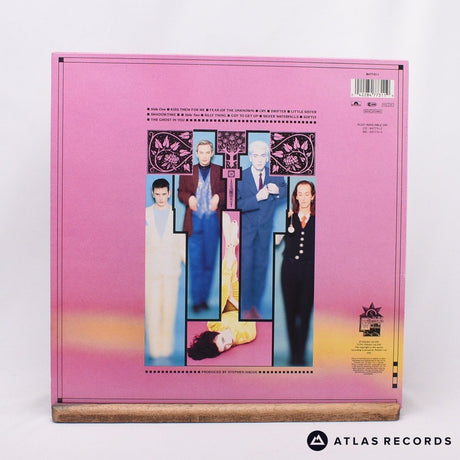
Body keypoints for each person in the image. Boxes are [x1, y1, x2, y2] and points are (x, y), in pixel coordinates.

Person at [187, 212, 257, 360]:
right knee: (231, 279)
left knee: (224, 286)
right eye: (225, 348)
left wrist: (227, 297)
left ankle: (230, 246)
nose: (229, 343)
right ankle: (230, 245)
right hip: (239, 304)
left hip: (225, 301)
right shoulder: (247, 335)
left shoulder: (213, 325)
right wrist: (232, 299)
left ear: (216, 334)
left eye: (223, 340)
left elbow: (219, 306)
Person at [237, 140, 287, 318]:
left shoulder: (275, 176)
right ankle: (245, 306)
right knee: (245, 268)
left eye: (263, 155)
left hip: (265, 231)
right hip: (246, 232)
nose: (259, 159)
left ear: (267, 158)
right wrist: (257, 198)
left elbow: (286, 191)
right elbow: (235, 204)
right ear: (250, 157)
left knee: (261, 269)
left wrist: (277, 191)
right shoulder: (241, 177)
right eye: (256, 155)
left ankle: (254, 306)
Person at [178, 139, 226, 313]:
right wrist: (188, 198)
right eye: (201, 152)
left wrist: (219, 197)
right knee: (196, 263)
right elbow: (181, 192)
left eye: (207, 152)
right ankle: (196, 300)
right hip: (194, 221)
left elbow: (229, 192)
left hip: (212, 221)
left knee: (209, 262)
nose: (204, 156)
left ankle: (204, 299)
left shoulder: (220, 171)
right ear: (196, 153)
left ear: (212, 153)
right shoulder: (188, 171)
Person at [145, 178, 186, 359]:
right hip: (150, 272)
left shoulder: (177, 215)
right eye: (157, 194)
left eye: (164, 194)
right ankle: (155, 350)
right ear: (152, 194)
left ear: (169, 194)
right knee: (152, 310)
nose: (161, 198)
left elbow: (182, 244)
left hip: (171, 271)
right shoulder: (144, 215)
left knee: (169, 311)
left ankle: (166, 349)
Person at [280, 180, 315, 365]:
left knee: (305, 314)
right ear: (295, 196)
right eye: (300, 194)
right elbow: (275, 241)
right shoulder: (287, 217)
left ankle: (300, 354)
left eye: (306, 193)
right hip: (289, 270)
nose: (303, 197)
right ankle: (293, 355)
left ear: (312, 196)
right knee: (290, 314)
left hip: (309, 271)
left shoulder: (319, 220)